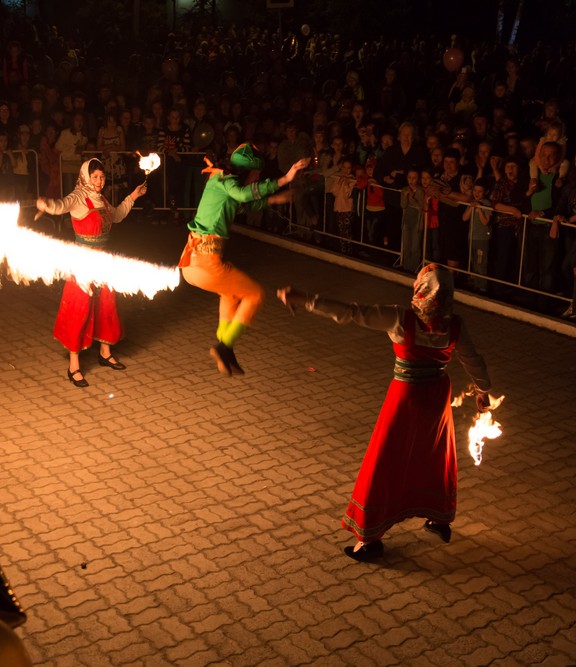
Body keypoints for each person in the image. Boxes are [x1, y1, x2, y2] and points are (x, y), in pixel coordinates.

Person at [277, 264, 492, 562]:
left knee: (386, 460)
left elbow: (352, 312)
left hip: (406, 397)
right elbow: (473, 359)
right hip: (435, 397)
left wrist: (305, 299)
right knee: (434, 455)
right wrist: (483, 391)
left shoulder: (401, 318)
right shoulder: (455, 324)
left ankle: (370, 540)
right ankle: (439, 518)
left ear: (421, 289)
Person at [178, 144, 308, 376]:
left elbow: (243, 202)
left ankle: (225, 347)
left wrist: (274, 200)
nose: (257, 179)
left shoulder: (221, 182)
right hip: (206, 263)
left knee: (230, 293)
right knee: (255, 294)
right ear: (245, 171)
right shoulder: (225, 180)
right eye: (256, 174)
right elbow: (244, 195)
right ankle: (224, 346)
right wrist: (285, 179)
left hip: (192, 263)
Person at [35, 158, 147, 388]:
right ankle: (73, 366)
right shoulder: (78, 197)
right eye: (94, 176)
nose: (99, 181)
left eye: (102, 177)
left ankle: (105, 353)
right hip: (82, 262)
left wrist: (133, 196)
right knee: (80, 308)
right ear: (86, 176)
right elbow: (61, 206)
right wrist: (47, 205)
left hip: (103, 260)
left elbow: (117, 215)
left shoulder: (101, 199)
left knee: (107, 303)